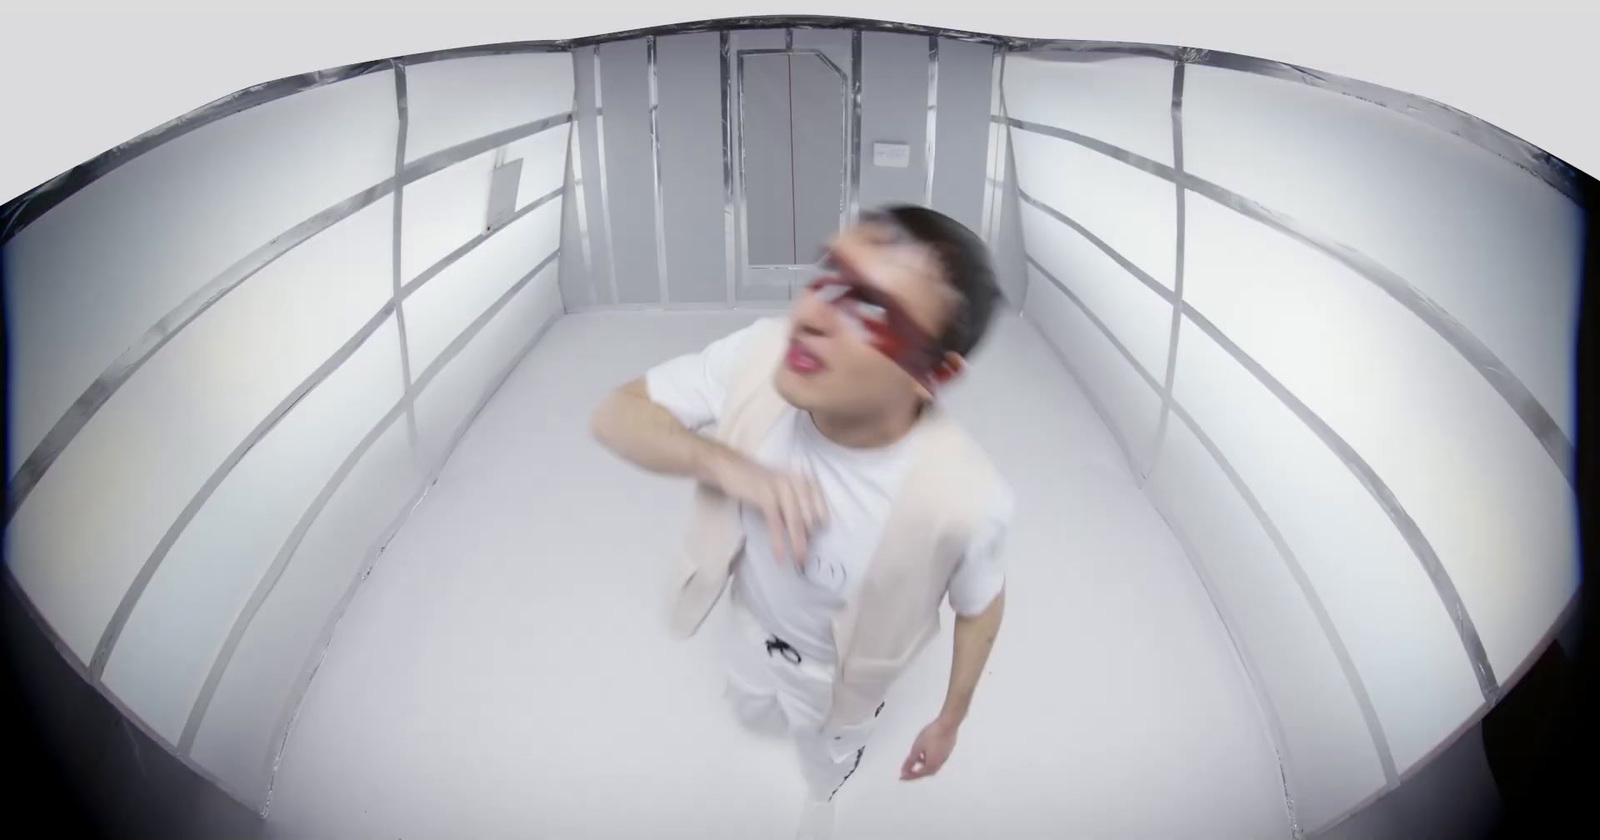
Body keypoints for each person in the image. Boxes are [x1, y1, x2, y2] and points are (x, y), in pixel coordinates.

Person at [590, 204, 1013, 840]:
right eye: (828, 276)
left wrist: (949, 719)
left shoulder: (968, 497)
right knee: (751, 704)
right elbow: (618, 413)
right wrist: (728, 466)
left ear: (935, 374)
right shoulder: (759, 354)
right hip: (747, 621)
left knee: (827, 754)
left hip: (843, 676)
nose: (809, 316)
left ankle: (828, 783)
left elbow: (981, 608)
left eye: (873, 312)